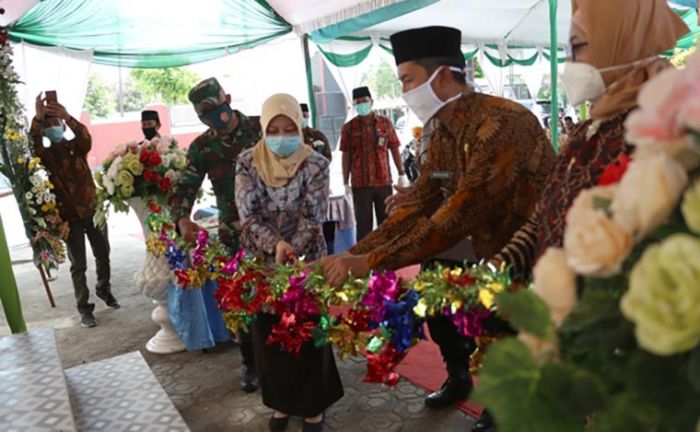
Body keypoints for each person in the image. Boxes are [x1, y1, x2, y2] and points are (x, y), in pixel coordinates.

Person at [320, 26, 555, 411]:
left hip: (519, 251)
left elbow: (458, 214)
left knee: (504, 330)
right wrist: (349, 257)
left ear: (443, 75)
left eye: (408, 80)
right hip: (462, 243)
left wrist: (368, 262)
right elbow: (420, 202)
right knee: (438, 307)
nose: (404, 92)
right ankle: (459, 377)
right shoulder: (440, 128)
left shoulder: (501, 124)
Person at [480, 2, 689, 431]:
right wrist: (497, 267)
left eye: (578, 48)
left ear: (622, 43)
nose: (569, 64)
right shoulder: (586, 130)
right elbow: (545, 217)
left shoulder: (663, 139)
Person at [236, 93, 343, 432]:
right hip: (262, 262)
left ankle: (313, 405)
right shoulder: (247, 162)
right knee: (270, 336)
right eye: (274, 129)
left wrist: (291, 249)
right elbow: (247, 216)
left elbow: (313, 218)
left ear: (300, 126)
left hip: (306, 261)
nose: (282, 136)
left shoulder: (316, 164)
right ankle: (281, 403)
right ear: (263, 129)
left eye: (289, 128)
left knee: (307, 331)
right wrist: (275, 244)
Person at [168, 77, 261, 392]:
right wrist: (182, 218)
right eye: (204, 112)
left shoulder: (262, 129)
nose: (212, 115)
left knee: (278, 294)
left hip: (273, 227)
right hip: (233, 234)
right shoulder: (202, 146)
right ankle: (251, 364)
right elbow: (185, 186)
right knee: (242, 301)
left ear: (228, 98)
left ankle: (285, 358)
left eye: (215, 106)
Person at [30, 94, 119, 328]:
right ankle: (84, 308)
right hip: (69, 218)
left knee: (103, 252)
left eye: (54, 124)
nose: (52, 129)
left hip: (92, 209)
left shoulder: (76, 148)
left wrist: (67, 117)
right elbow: (34, 146)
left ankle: (104, 289)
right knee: (78, 264)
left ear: (61, 126)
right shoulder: (47, 156)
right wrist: (38, 118)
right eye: (48, 126)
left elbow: (85, 136)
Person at [340, 86, 406, 242]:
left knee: (387, 222)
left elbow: (395, 148)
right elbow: (346, 156)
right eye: (358, 102)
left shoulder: (385, 123)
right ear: (353, 105)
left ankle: (388, 257)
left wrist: (401, 172)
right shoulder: (348, 128)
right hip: (360, 183)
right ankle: (363, 260)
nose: (361, 105)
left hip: (383, 181)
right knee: (363, 225)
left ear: (372, 102)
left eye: (364, 101)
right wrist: (345, 181)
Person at [300, 103, 336, 253]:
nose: (303, 118)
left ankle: (329, 251)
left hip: (318, 186)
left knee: (324, 219)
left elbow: (327, 158)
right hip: (298, 191)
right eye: (300, 115)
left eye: (306, 115)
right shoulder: (290, 139)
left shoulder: (317, 135)